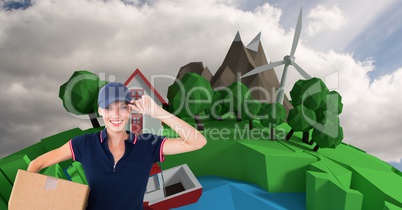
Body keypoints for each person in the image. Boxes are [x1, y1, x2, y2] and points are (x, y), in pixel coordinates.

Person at [27, 82, 207, 210]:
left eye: (122, 107)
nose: (116, 115)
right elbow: (37, 164)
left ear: (130, 110)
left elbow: (198, 142)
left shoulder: (147, 144)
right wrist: (28, 200)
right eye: (108, 108)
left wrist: (158, 112)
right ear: (99, 111)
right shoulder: (84, 144)